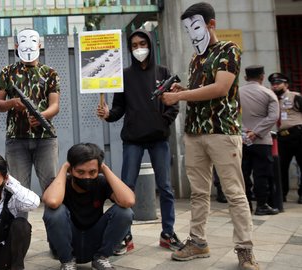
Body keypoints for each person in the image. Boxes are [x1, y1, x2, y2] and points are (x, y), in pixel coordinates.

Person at [161, 2, 259, 269]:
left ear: (210, 24)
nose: (191, 34)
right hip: (194, 132)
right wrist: (185, 88)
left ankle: (245, 250)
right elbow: (200, 91)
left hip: (222, 131)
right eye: (187, 29)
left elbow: (220, 88)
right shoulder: (196, 58)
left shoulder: (229, 50)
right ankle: (198, 242)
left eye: (195, 27)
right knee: (198, 193)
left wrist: (179, 95)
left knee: (234, 193)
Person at [96, 29, 182, 254]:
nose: (138, 49)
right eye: (133, 45)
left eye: (142, 43)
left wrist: (162, 123)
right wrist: (107, 114)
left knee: (165, 187)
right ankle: (125, 237)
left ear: (150, 45)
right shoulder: (123, 75)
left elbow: (173, 104)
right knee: (126, 187)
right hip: (132, 140)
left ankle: (168, 233)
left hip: (158, 139)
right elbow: (118, 109)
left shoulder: (164, 72)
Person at [42, 143, 134, 270]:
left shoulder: (101, 182)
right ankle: (67, 262)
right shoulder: (59, 184)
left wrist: (105, 170)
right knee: (54, 212)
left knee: (125, 212)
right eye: (80, 172)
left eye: (92, 172)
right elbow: (53, 201)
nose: (86, 177)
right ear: (71, 169)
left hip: (94, 242)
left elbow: (128, 201)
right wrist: (64, 168)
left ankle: (101, 258)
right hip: (67, 244)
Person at [0, 28, 60, 200]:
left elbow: (55, 106)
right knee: (18, 193)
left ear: (39, 45)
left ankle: (54, 226)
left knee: (51, 190)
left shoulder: (50, 73)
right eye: (23, 42)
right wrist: (12, 103)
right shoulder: (7, 72)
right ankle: (19, 227)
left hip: (45, 139)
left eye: (33, 43)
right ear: (16, 46)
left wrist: (42, 116)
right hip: (16, 140)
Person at [239, 65, 280, 215]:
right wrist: (256, 132)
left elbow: (230, 115)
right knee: (261, 174)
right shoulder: (268, 93)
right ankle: (262, 205)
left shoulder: (236, 93)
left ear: (245, 77)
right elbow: (273, 117)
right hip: (262, 141)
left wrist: (244, 132)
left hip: (241, 140)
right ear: (262, 76)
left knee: (243, 173)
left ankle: (246, 205)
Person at [268, 72, 302, 204]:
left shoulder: (295, 96)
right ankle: (281, 194)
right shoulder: (272, 99)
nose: (275, 86)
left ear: (286, 85)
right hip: (282, 137)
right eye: (273, 84)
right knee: (281, 167)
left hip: (298, 134)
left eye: (278, 83)